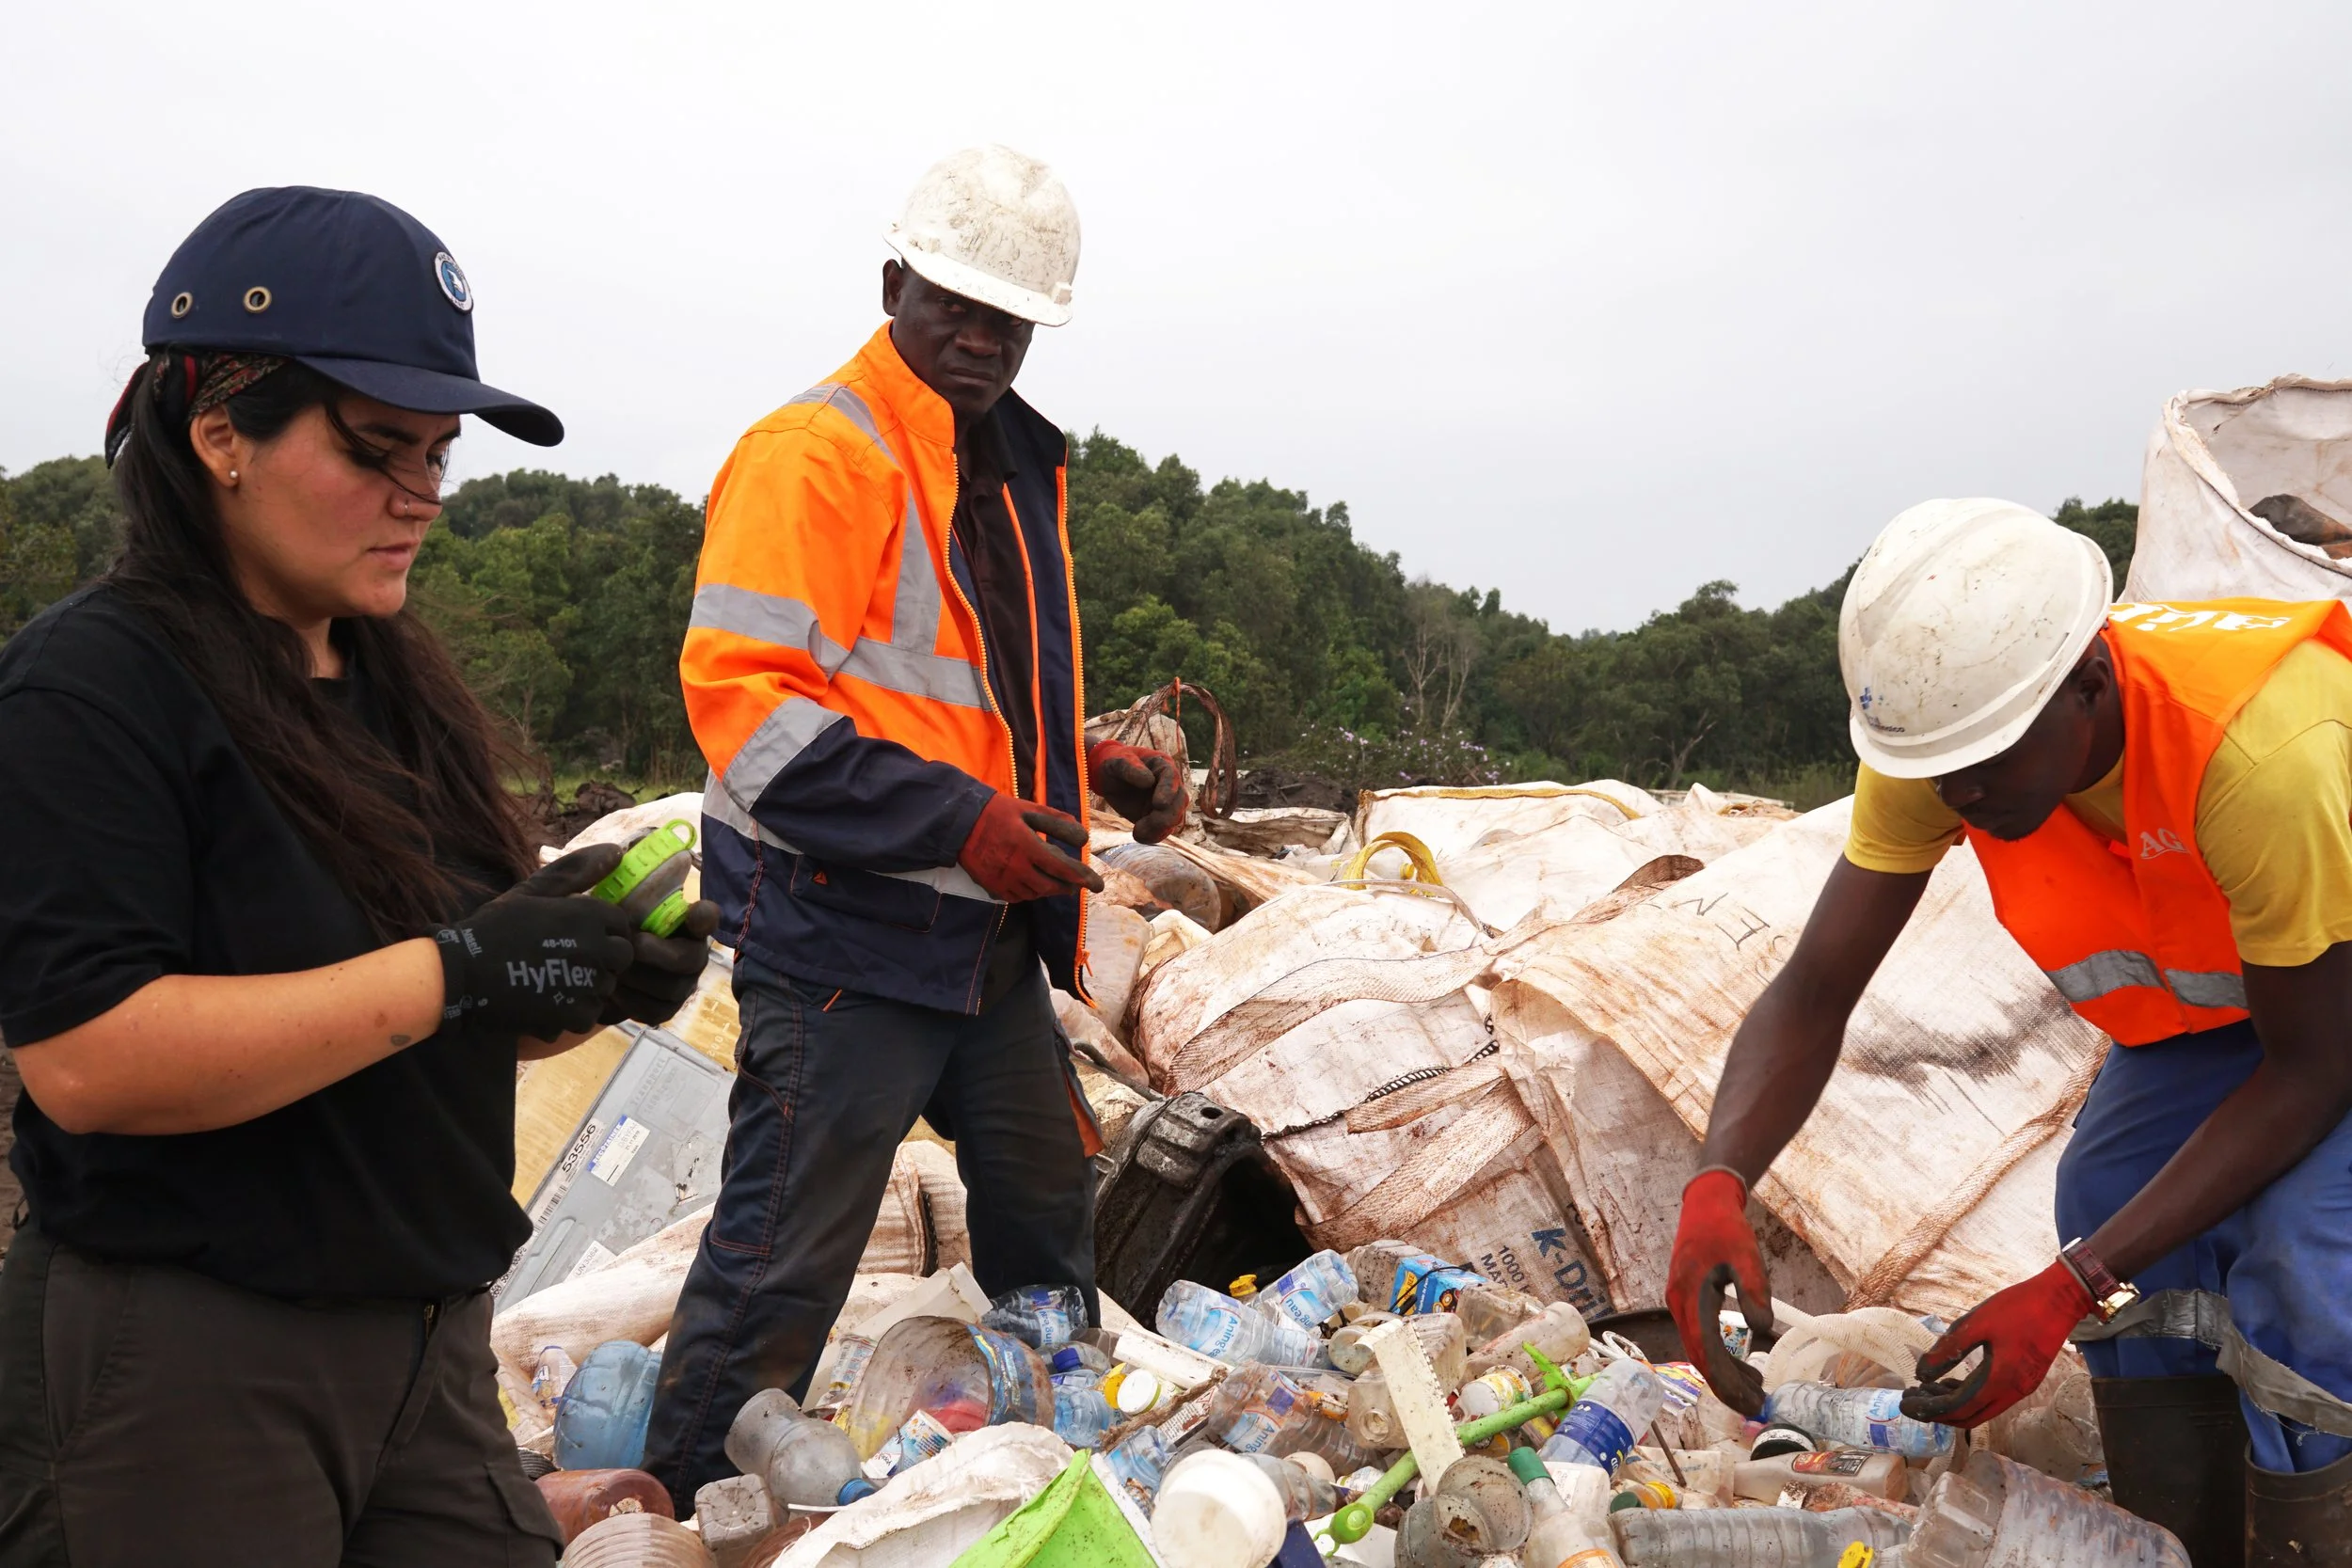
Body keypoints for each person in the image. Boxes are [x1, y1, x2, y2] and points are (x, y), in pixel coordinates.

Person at [0, 186, 718, 1566]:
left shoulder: (390, 683)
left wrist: (586, 973)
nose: (422, 497)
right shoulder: (93, 686)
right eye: (380, 447)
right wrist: (462, 966)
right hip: (195, 1364)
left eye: (440, 455)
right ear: (220, 431)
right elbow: (86, 1056)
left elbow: (438, 1020)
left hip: (427, 1351)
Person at [644, 145, 1186, 1511]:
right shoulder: (816, 455)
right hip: (842, 929)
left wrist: (1091, 760)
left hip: (979, 940)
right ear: (895, 282)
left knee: (1046, 1211)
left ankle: (1046, 1475)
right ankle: (680, 1508)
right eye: (956, 304)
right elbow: (751, 715)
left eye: (1010, 319)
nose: (983, 337)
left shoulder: (1004, 464)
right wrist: (962, 818)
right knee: (780, 1257)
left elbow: (963, 696)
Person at [1667, 497, 2352, 1561]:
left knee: (2309, 1269)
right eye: (1940, 767)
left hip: (2330, 1015)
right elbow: (1813, 990)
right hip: (2239, 1008)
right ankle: (2183, 1543)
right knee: (2105, 1199)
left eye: (1982, 760)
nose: (1958, 793)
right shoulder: (1948, 743)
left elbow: (2314, 1069)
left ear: (2088, 679)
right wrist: (1716, 1178)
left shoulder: (2263, 756)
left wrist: (2071, 1281)